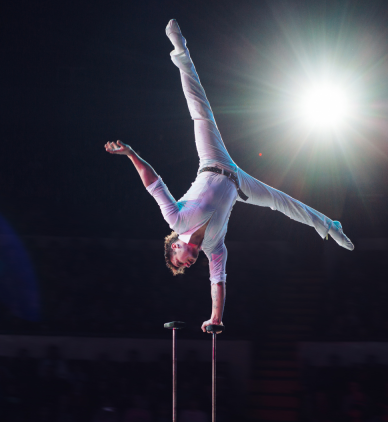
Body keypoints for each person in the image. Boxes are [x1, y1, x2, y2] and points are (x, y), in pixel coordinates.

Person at [104, 20, 354, 333]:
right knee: (281, 202)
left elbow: (153, 183)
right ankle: (330, 225)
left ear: (175, 247)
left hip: (213, 160)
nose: (189, 264)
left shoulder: (176, 220)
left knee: (200, 112)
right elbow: (218, 282)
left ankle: (180, 52)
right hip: (239, 185)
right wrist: (216, 318)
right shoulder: (214, 247)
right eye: (187, 267)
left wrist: (131, 154)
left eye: (181, 261)